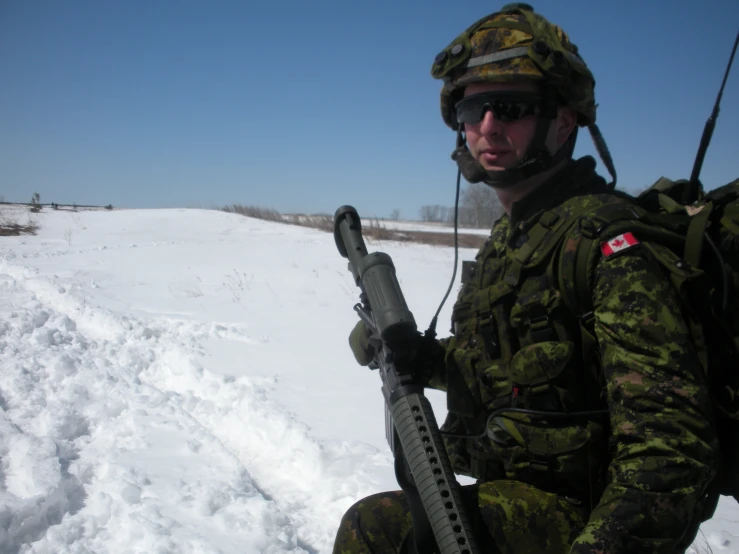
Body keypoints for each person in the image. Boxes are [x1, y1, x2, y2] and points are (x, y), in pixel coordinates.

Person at [332, 3, 721, 554]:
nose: (487, 127)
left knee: (374, 530)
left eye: (509, 107)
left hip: (590, 517)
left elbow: (672, 452)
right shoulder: (514, 241)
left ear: (562, 122)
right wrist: (420, 359)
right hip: (511, 493)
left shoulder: (607, 243)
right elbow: (518, 374)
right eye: (472, 108)